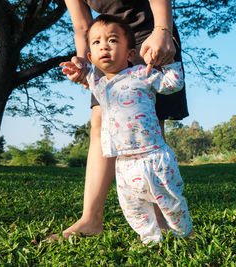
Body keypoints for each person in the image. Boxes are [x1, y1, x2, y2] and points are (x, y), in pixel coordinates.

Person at [50, 0, 189, 239]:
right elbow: (83, 27)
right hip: (104, 37)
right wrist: (84, 62)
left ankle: (161, 221)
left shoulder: (153, 34)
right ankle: (90, 219)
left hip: (150, 30)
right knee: (99, 119)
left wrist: (163, 31)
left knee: (145, 117)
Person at [87, 14, 193, 242]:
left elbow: (173, 84)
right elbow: (87, 76)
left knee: (171, 202)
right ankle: (152, 242)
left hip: (154, 157)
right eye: (96, 42)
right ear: (91, 56)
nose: (104, 46)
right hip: (123, 163)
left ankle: (186, 235)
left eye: (113, 40)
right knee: (134, 210)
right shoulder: (100, 84)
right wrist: (78, 71)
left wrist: (169, 60)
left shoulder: (141, 73)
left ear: (130, 53)